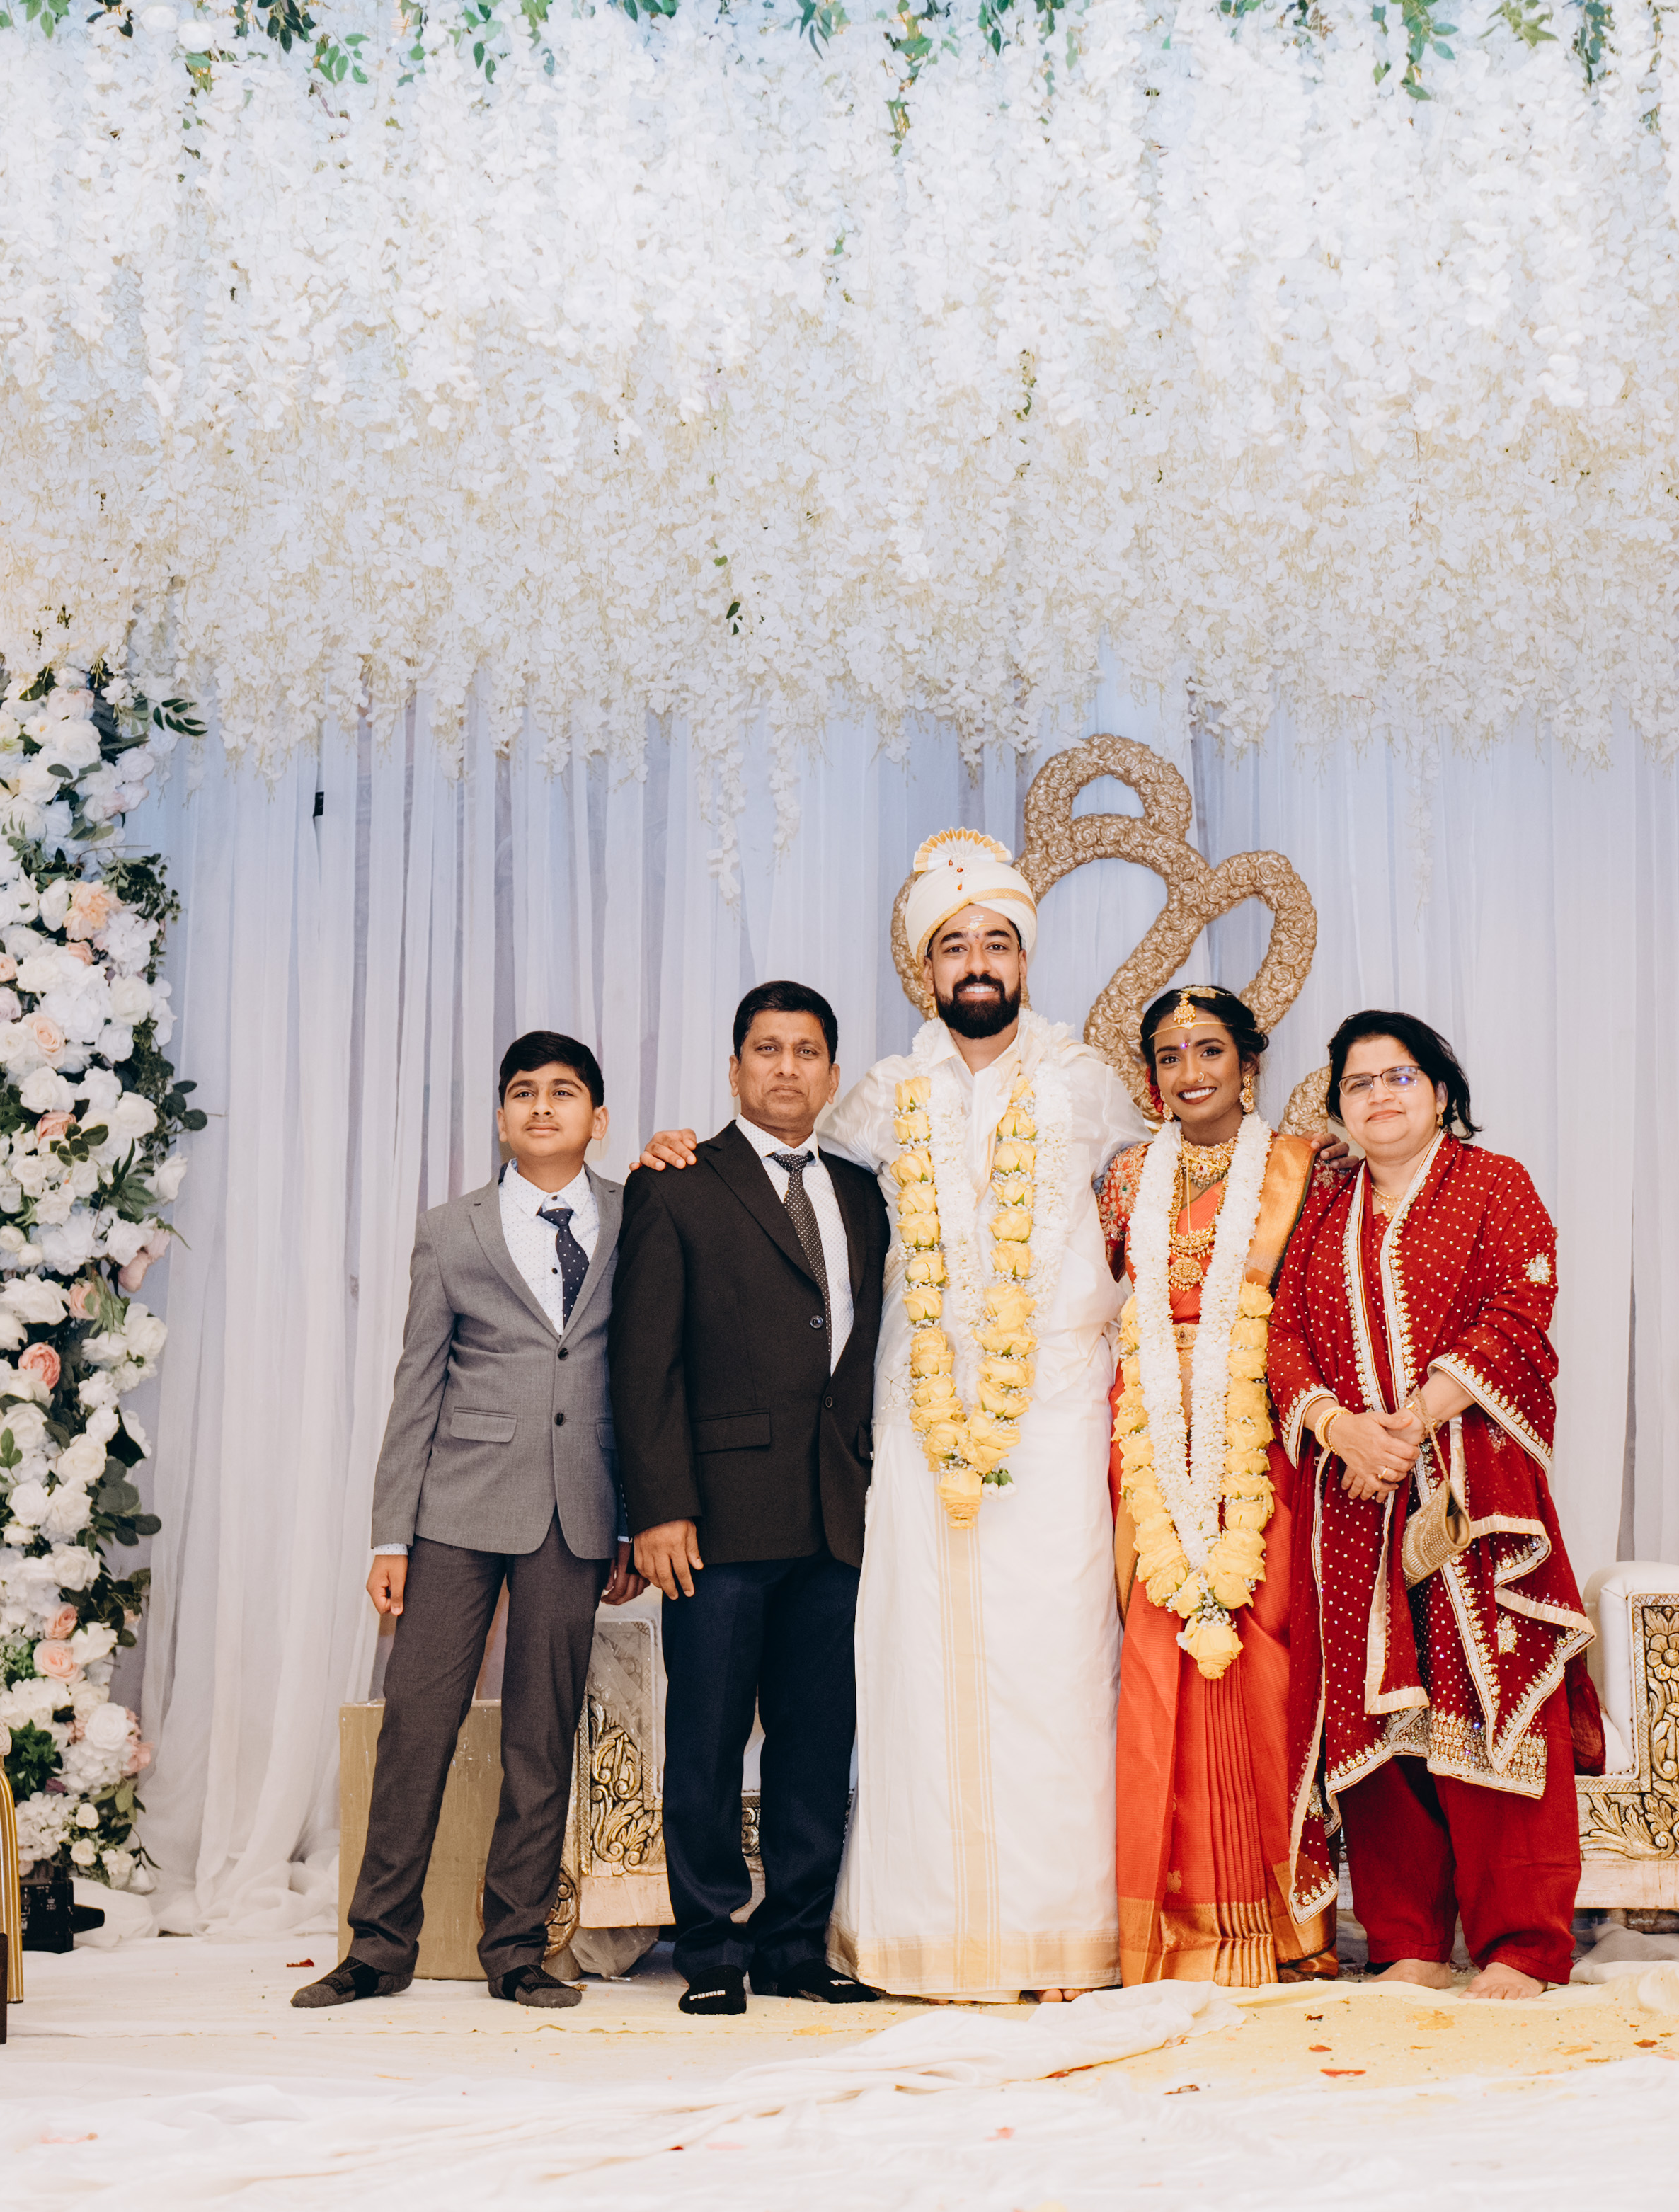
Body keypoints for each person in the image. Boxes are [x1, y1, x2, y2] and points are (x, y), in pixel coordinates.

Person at [644, 831, 1149, 1998]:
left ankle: (1058, 1931)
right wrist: (676, 1147)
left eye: (995, 943)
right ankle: (917, 1933)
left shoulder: (1087, 1086)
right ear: (924, 970)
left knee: (1055, 1671)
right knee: (912, 1674)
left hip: (1052, 1428)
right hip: (912, 1440)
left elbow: (1166, 1207)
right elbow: (773, 1169)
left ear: (1024, 960)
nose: (975, 962)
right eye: (952, 945)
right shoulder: (879, 1096)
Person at [1268, 1009, 1599, 2000]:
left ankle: (1521, 1944)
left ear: (1441, 1092)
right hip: (1355, 1498)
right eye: (1358, 1082)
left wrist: (1411, 1422)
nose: (1379, 1095)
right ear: (1339, 1106)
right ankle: (1408, 1938)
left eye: (1399, 1076)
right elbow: (1283, 1338)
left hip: (1471, 1487)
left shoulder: (1494, 1186)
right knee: (1379, 1719)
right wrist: (1341, 1431)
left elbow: (1519, 1313)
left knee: (1493, 1700)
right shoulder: (1326, 1210)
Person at [306, 1032, 640, 2012]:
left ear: (597, 1119)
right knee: (417, 1724)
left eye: (564, 1092)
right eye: (523, 1093)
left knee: (542, 1733)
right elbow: (416, 1381)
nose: (542, 1107)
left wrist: (630, 1521)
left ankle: (517, 1949)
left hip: (577, 1508)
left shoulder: (637, 1218)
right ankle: (377, 1947)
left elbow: (643, 1379)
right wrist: (390, 1535)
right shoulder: (452, 1230)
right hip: (456, 1504)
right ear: (500, 1118)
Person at [609, 981, 893, 2014]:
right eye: (766, 1050)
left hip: (835, 1511)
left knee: (817, 1742)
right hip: (715, 1520)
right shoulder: (678, 1184)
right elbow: (644, 1362)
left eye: (806, 1051)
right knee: (709, 1739)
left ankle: (793, 1947)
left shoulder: (863, 1192)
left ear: (831, 1072)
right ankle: (711, 1948)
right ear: (734, 1070)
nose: (786, 1068)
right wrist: (657, 1509)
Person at [1099, 984, 1333, 1987]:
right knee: (1159, 1662)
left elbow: (1317, 1304)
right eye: (1169, 1055)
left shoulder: (1303, 1167)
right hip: (1149, 1428)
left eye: (1208, 1051)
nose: (1189, 1073)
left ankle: (1281, 1925)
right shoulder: (1123, 1177)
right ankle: (1172, 1927)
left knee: (1265, 1656)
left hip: (1256, 1431)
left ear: (1249, 1063)